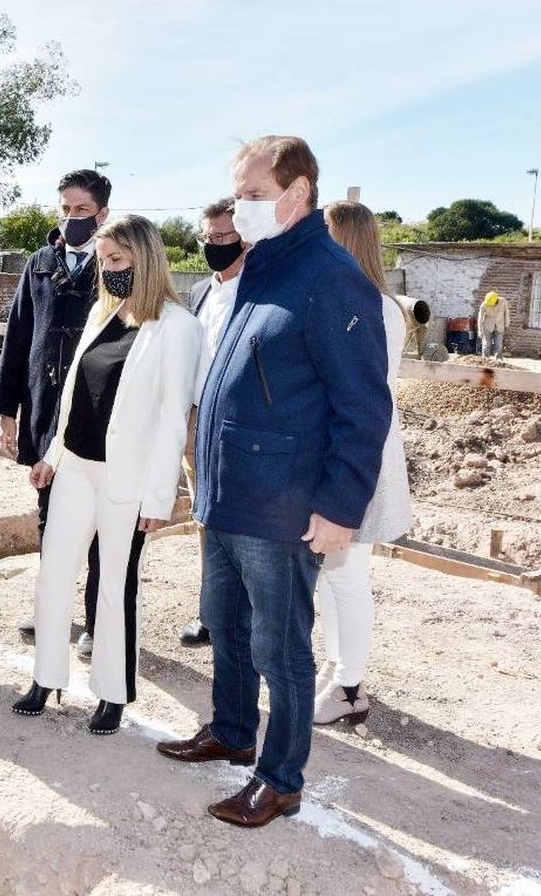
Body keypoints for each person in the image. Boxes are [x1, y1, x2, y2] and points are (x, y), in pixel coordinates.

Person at [156, 137, 389, 828]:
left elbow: (363, 405)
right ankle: (231, 727)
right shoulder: (262, 269)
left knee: (280, 648)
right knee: (225, 624)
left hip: (283, 505)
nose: (241, 209)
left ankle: (280, 776)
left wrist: (341, 504)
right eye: (237, 196)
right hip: (229, 494)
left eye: (253, 196)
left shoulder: (329, 276)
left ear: (297, 196)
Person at [10, 215, 202, 735]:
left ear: (146, 260)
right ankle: (46, 677)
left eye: (117, 260)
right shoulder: (101, 312)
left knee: (115, 584)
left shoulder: (179, 327)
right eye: (104, 260)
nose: (107, 269)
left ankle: (112, 692)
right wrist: (51, 454)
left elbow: (171, 419)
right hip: (75, 466)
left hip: (128, 480)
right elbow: (75, 394)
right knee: (54, 571)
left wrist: (159, 499)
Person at [0, 169, 109, 657]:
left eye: (81, 210)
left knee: (101, 524)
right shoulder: (39, 263)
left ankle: (97, 621)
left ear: (102, 214)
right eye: (65, 208)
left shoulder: (117, 265)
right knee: (50, 516)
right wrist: (6, 410)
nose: (71, 218)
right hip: (44, 412)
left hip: (96, 416)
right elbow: (18, 337)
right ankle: (51, 608)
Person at [314, 202, 414, 726]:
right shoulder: (368, 302)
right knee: (335, 573)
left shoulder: (372, 307)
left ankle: (351, 687)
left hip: (361, 457)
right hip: (351, 453)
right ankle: (337, 665)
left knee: (347, 573)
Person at [177, 196, 247, 648]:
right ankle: (212, 610)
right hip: (194, 421)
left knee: (240, 522)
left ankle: (245, 614)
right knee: (204, 517)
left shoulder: (259, 289)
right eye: (209, 237)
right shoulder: (201, 292)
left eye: (224, 237)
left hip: (237, 424)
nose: (215, 245)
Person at [477, 290, 510, 359]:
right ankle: (485, 359)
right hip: (487, 326)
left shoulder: (503, 302)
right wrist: (480, 330)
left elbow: (506, 313)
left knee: (499, 344)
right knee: (486, 344)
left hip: (500, 325)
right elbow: (480, 318)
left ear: (496, 300)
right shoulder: (484, 304)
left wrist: (507, 325)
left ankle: (498, 359)